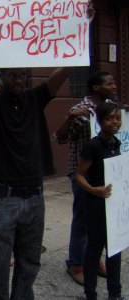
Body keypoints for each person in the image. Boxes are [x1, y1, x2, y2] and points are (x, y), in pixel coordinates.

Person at [0, 9, 72, 299]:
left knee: (30, 261)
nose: (18, 80)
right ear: (3, 75)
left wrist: (80, 34)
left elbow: (60, 74)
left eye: (22, 75)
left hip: (35, 195)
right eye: (12, 75)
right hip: (4, 196)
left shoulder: (35, 99)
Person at [54, 71, 118, 285]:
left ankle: (94, 259)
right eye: (110, 82)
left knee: (100, 218)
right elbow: (60, 138)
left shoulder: (112, 108)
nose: (114, 85)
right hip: (82, 173)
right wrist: (71, 118)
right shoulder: (80, 111)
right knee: (82, 219)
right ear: (96, 88)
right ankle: (76, 264)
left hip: (106, 172)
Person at [75, 101, 123, 300]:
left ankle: (115, 293)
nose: (115, 122)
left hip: (113, 203)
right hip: (96, 204)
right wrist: (93, 190)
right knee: (95, 248)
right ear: (101, 121)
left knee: (115, 248)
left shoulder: (116, 143)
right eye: (110, 118)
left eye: (118, 118)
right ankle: (91, 293)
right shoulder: (93, 146)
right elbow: (79, 175)